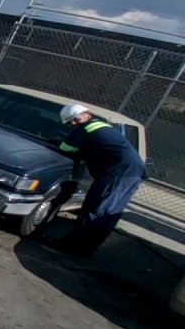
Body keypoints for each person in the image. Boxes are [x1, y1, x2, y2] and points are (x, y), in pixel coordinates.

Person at [48, 103, 148, 257]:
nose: (73, 124)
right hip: (130, 173)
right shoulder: (100, 127)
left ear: (87, 115)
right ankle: (86, 249)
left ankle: (71, 246)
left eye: (75, 119)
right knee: (109, 213)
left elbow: (66, 148)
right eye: (69, 123)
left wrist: (58, 140)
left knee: (96, 208)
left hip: (118, 172)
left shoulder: (87, 128)